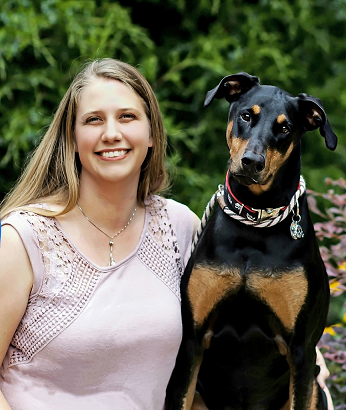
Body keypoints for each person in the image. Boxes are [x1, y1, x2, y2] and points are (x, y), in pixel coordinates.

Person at [0, 58, 333, 410]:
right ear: (71, 136)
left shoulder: (179, 227)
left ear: (152, 135)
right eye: (94, 119)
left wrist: (309, 358)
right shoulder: (22, 239)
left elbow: (276, 334)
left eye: (127, 117)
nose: (111, 132)